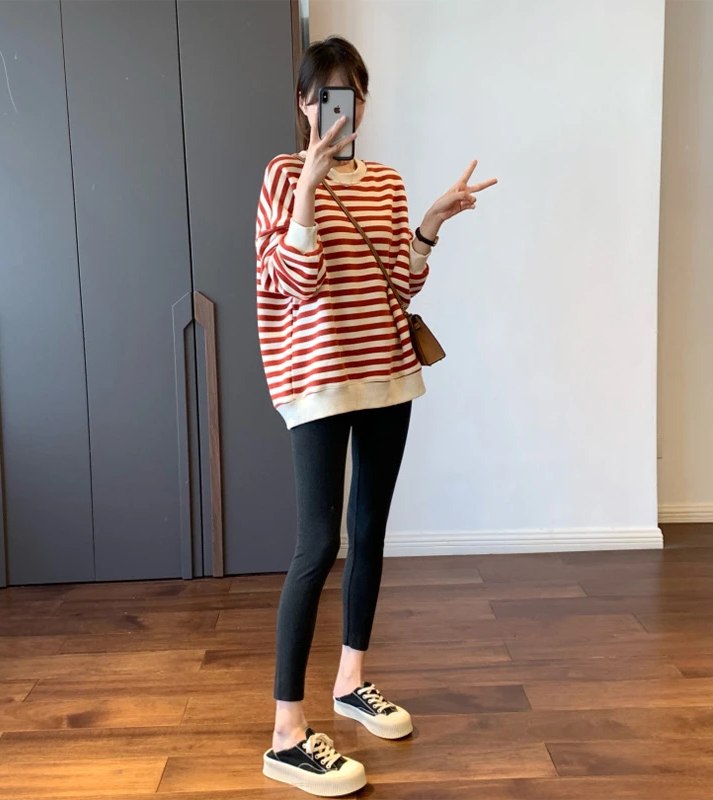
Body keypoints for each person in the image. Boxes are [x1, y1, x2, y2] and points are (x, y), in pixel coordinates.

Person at [255, 35, 497, 796]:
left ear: (363, 103)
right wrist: (309, 185)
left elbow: (401, 281)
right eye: (326, 95)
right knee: (315, 547)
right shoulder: (282, 176)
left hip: (388, 376)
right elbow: (295, 281)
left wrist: (430, 222)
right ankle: (285, 735)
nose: (342, 108)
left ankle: (351, 681)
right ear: (304, 103)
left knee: (370, 533)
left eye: (353, 95)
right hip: (318, 381)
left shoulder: (386, 182)